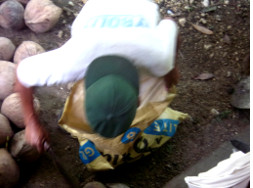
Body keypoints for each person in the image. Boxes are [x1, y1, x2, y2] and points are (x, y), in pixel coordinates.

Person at [14, 0, 178, 154]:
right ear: (138, 100)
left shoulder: (159, 57)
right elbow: (22, 74)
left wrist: (170, 69)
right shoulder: (71, 61)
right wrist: (31, 123)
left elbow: (170, 22)